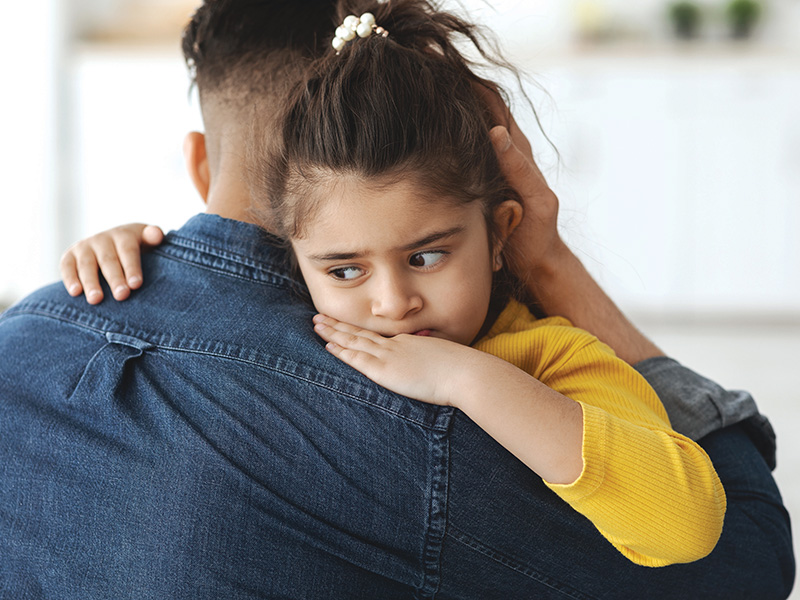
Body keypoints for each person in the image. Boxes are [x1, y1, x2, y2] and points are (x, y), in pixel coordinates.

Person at [2, 0, 793, 598]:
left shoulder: (25, 334)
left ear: (202, 169)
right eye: (344, 267)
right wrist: (550, 261)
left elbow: (685, 520)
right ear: (293, 230)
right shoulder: (402, 422)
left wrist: (469, 377)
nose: (393, 306)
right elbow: (751, 562)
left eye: (425, 254)